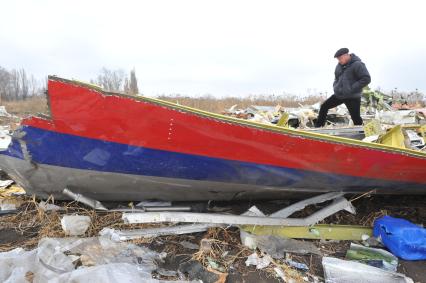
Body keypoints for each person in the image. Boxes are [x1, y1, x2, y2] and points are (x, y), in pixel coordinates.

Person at [315, 48, 371, 127]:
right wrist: (336, 86)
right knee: (324, 106)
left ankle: (363, 135)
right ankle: (318, 127)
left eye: (340, 58)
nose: (339, 61)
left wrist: (352, 88)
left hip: (352, 96)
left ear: (346, 55)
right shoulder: (339, 66)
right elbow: (336, 78)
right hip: (339, 95)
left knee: (356, 119)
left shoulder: (357, 64)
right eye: (338, 59)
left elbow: (366, 79)